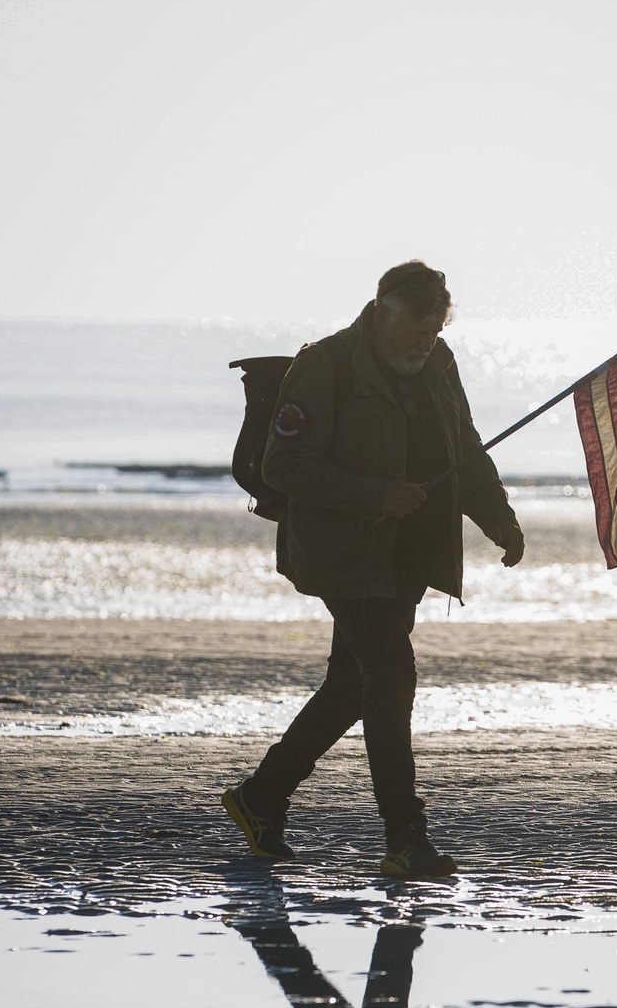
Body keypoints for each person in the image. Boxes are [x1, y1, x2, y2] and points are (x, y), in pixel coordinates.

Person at [222, 261, 524, 878]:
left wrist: (498, 519)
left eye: (434, 330)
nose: (424, 342)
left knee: (350, 686)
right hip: (343, 555)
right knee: (390, 678)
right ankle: (406, 838)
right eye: (415, 329)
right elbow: (284, 467)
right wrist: (375, 494)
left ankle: (260, 797)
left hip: (407, 556)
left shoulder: (439, 364)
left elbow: (464, 450)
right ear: (382, 312)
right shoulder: (326, 365)